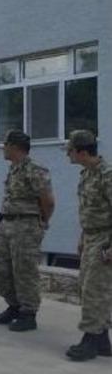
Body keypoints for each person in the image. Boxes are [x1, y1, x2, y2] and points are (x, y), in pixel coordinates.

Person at [0, 130, 55, 332]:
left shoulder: (34, 169)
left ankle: (28, 313)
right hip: (7, 224)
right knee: (0, 268)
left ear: (14, 147)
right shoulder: (14, 169)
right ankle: (14, 305)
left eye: (5, 144)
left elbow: (48, 201)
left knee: (24, 270)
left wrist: (42, 221)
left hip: (26, 225)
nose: (3, 148)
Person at [65, 130, 112, 361]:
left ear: (82, 152)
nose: (68, 156)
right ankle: (102, 339)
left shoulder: (107, 175)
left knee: (95, 289)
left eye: (70, 151)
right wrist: (82, 238)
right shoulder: (87, 174)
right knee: (87, 287)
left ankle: (90, 340)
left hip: (106, 239)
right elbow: (89, 211)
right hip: (92, 237)